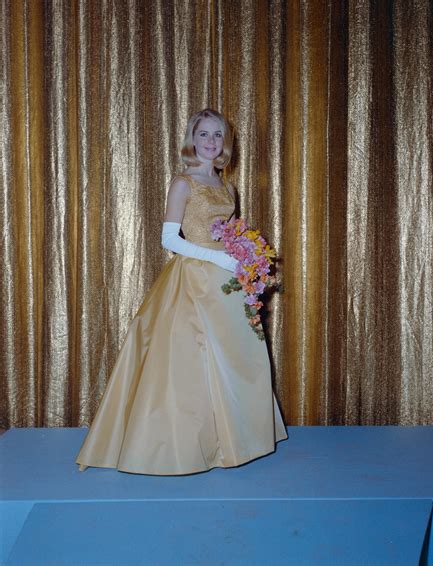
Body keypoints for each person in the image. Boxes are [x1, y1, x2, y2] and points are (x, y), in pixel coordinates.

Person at [76, 109, 287, 475]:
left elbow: (229, 232)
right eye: (204, 134)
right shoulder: (182, 183)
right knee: (191, 361)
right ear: (192, 139)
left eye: (217, 135)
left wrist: (245, 256)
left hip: (227, 282)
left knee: (235, 357)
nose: (211, 142)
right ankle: (188, 446)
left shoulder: (227, 186)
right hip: (194, 279)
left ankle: (235, 439)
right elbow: (170, 239)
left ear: (225, 142)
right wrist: (219, 259)